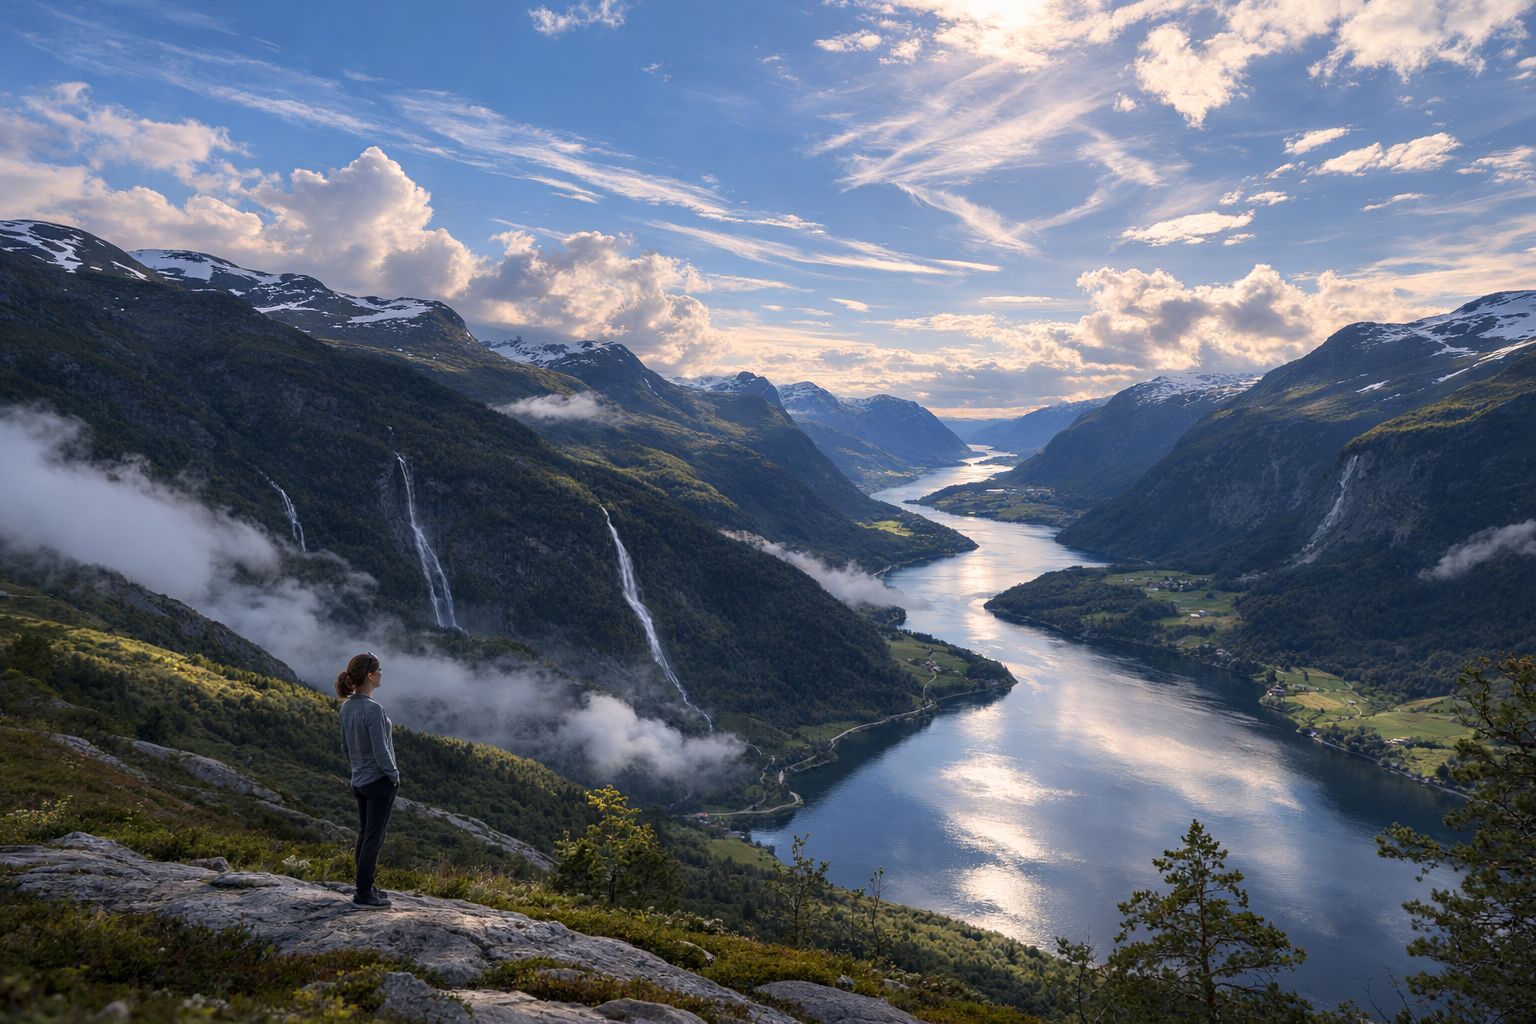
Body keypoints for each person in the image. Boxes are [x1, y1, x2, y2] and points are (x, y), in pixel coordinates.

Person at [336, 651, 399, 909]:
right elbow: (381, 750)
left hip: (359, 780)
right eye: (379, 670)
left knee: (365, 834)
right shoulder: (373, 709)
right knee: (375, 837)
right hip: (379, 781)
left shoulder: (346, 707)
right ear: (371, 676)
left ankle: (366, 886)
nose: (382, 674)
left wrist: (357, 770)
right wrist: (393, 775)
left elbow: (345, 747)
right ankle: (364, 893)